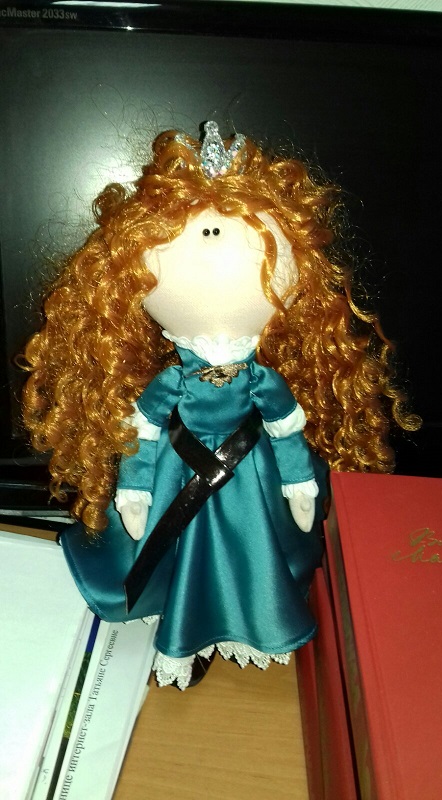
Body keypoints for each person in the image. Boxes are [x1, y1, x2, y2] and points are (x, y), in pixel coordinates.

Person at [22, 123, 419, 688]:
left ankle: (250, 618)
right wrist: (134, 488)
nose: (215, 243)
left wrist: (299, 482)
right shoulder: (171, 380)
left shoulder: (262, 379)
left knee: (250, 547)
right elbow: (144, 430)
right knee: (174, 545)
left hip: (248, 470)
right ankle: (184, 623)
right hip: (176, 470)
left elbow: (286, 428)